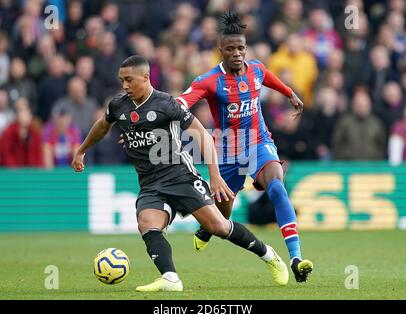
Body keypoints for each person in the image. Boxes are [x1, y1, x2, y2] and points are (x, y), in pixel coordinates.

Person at [72, 55, 290, 292]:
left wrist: (215, 176)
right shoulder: (118, 105)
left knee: (218, 227)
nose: (124, 86)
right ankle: (170, 279)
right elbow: (103, 124)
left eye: (128, 80)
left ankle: (269, 255)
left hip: (180, 176)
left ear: (145, 77)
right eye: (121, 80)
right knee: (147, 223)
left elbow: (202, 135)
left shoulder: (167, 104)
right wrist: (82, 150)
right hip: (149, 183)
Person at [176, 12, 313, 282]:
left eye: (241, 48)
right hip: (227, 152)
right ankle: (208, 229)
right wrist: (156, 116)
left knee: (276, 186)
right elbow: (181, 102)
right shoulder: (209, 80)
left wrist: (290, 93)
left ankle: (295, 257)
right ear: (221, 51)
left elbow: (269, 78)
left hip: (259, 142)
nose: (237, 53)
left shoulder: (257, 69)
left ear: (245, 48)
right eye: (230, 49)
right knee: (220, 218)